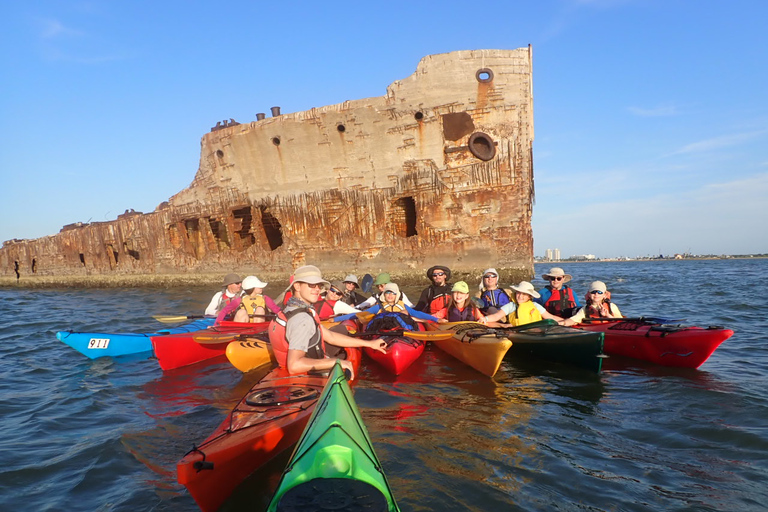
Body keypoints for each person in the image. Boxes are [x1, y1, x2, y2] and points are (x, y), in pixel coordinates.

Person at [268, 265, 386, 379]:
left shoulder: (289, 309)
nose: (317, 289)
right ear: (297, 286)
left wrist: (370, 344)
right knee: (344, 353)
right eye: (312, 285)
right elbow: (294, 366)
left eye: (319, 286)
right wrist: (338, 362)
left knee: (340, 331)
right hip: (305, 375)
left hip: (288, 368)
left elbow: (330, 337)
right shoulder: (303, 320)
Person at [360, 282, 439, 332]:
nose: (390, 295)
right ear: (384, 294)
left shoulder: (402, 306)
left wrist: (436, 319)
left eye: (393, 293)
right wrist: (347, 317)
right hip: (383, 331)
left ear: (396, 295)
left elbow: (417, 313)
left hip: (402, 330)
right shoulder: (378, 307)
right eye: (387, 292)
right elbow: (357, 314)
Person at [484, 281, 563, 326]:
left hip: (534, 333)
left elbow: (551, 317)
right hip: (517, 333)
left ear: (529, 297)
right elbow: (496, 316)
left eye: (524, 294)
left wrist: (566, 321)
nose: (520, 296)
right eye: (518, 293)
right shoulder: (511, 306)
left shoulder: (535, 306)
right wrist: (485, 319)